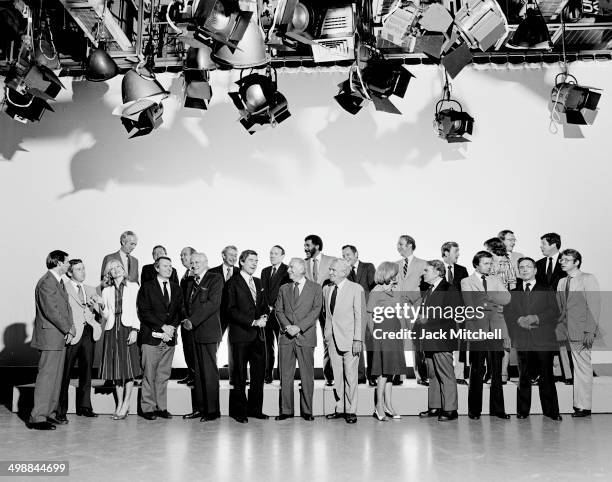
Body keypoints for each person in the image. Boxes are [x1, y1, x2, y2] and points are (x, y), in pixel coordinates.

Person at [505, 257, 562, 421]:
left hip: (544, 339)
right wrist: (519, 320)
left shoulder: (546, 288)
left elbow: (554, 312)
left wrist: (535, 317)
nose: (524, 270)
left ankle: (552, 411)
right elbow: (508, 314)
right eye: (521, 267)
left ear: (535, 270)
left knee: (547, 376)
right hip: (523, 339)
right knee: (523, 377)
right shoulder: (513, 292)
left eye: (528, 267)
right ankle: (522, 411)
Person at [461, 251, 511, 420]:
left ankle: (498, 410)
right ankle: (474, 411)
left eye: (491, 263)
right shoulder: (466, 281)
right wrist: (492, 304)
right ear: (476, 264)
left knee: (496, 370)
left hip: (495, 330)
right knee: (477, 370)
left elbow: (507, 298)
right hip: (477, 329)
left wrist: (488, 297)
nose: (490, 266)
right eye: (486, 263)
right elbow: (470, 304)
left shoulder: (495, 279)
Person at [28, 250, 75, 430]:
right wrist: (68, 328)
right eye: (67, 262)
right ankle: (37, 417)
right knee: (47, 377)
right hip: (50, 337)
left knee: (56, 378)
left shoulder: (58, 282)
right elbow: (51, 311)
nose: (68, 265)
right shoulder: (47, 282)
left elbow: (65, 308)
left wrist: (70, 327)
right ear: (58, 262)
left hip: (59, 336)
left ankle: (49, 413)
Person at [274, 258, 323, 421]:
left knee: (307, 376)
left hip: (305, 337)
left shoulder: (316, 288)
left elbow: (316, 310)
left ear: (302, 270)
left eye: (291, 267)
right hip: (286, 338)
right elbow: (278, 311)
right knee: (285, 376)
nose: (288, 270)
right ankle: (286, 410)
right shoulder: (284, 288)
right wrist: (288, 327)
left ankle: (307, 411)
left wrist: (299, 327)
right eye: (288, 267)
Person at [226, 250, 270, 423]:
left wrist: (265, 317)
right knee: (240, 376)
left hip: (258, 336)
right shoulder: (232, 283)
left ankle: (255, 410)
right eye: (251, 260)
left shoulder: (258, 281)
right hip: (241, 336)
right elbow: (230, 310)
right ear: (241, 262)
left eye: (256, 261)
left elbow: (265, 305)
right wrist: (253, 322)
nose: (254, 263)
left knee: (258, 375)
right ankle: (240, 412)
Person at [136, 256, 183, 420]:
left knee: (163, 375)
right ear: (157, 268)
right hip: (151, 337)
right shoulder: (147, 287)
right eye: (165, 266)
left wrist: (172, 328)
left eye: (170, 266)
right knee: (149, 374)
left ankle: (161, 407)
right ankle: (148, 408)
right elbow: (144, 312)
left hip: (169, 338)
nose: (169, 269)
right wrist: (162, 326)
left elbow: (179, 312)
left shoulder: (177, 288)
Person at [557, 249, 600, 418]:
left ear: (576, 262)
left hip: (582, 331)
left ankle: (584, 406)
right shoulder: (561, 282)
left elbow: (594, 306)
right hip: (565, 331)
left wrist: (590, 330)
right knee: (573, 369)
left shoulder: (587, 279)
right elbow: (561, 308)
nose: (562, 262)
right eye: (562, 259)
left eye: (567, 260)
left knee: (582, 368)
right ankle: (578, 405)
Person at [58, 259, 103, 421]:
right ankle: (60, 411)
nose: (83, 272)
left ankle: (85, 407)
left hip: (88, 334)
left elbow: (101, 311)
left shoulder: (90, 289)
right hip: (72, 332)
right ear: (70, 272)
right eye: (78, 269)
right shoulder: (63, 288)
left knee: (87, 372)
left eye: (83, 268)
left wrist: (98, 303)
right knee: (65, 372)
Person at [181, 252, 223, 422]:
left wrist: (193, 321)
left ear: (206, 262)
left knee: (209, 373)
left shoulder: (215, 278)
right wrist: (186, 320)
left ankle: (212, 411)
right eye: (192, 262)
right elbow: (185, 302)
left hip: (208, 331)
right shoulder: (190, 280)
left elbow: (212, 304)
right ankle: (199, 408)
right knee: (197, 373)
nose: (194, 265)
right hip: (192, 332)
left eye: (198, 262)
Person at [418, 260, 462, 422]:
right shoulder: (430, 290)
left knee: (445, 374)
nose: (424, 273)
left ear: (437, 272)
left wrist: (428, 318)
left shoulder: (449, 289)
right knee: (433, 374)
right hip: (429, 339)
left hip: (442, 339)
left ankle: (450, 409)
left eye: (426, 270)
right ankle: (435, 406)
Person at [323, 259, 365, 424]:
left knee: (351, 376)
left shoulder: (356, 289)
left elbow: (360, 316)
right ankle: (340, 408)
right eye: (330, 269)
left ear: (343, 272)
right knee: (338, 376)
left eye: (333, 270)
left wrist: (358, 339)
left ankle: (351, 410)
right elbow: (327, 315)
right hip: (332, 339)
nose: (330, 272)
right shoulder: (327, 289)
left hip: (350, 339)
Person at [99, 259, 142, 420]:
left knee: (128, 368)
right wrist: (101, 306)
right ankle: (119, 405)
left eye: (119, 267)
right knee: (116, 370)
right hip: (112, 329)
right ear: (108, 273)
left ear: (124, 270)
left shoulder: (133, 287)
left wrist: (135, 330)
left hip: (128, 328)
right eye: (112, 268)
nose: (116, 270)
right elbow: (106, 315)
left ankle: (126, 403)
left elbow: (139, 310)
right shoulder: (106, 290)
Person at [367, 262, 407, 422]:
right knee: (383, 371)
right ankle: (379, 407)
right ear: (387, 274)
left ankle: (389, 405)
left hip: (395, 330)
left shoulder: (396, 289)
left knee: (391, 370)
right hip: (382, 332)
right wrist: (374, 334)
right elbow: (369, 315)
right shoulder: (376, 291)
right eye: (394, 274)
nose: (396, 277)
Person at [537, 233, 572, 385]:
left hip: (564, 307)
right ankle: (547, 375)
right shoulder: (538, 264)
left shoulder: (566, 262)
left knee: (563, 341)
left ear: (553, 244)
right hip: (545, 309)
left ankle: (568, 375)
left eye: (543, 244)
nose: (541, 247)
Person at [484, 237, 517, 383]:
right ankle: (491, 372)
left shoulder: (506, 263)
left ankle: (503, 373)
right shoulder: (488, 263)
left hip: (503, 306)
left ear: (493, 248)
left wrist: (507, 303)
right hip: (488, 306)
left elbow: (513, 285)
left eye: (487, 249)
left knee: (505, 340)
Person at [396, 235, 428, 386]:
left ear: (410, 245)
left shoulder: (423, 264)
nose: (398, 246)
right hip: (398, 309)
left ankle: (422, 375)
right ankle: (398, 375)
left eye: (401, 244)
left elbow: (426, 287)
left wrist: (411, 296)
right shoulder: (395, 265)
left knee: (418, 343)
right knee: (398, 342)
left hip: (416, 308)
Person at [342, 244, 376, 384]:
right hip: (352, 313)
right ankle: (359, 375)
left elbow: (373, 288)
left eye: (348, 255)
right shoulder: (344, 271)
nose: (345, 257)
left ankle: (373, 376)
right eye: (343, 255)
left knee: (371, 343)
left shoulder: (368, 267)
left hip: (367, 311)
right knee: (356, 344)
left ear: (356, 254)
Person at [304, 234, 334, 385]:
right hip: (308, 309)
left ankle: (329, 376)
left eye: (308, 245)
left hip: (326, 308)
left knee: (328, 340)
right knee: (306, 343)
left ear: (317, 246)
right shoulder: (303, 264)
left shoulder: (331, 261)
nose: (305, 248)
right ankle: (306, 377)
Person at [209, 245, 240, 384]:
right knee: (213, 346)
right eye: (231, 254)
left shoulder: (241, 272)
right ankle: (212, 377)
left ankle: (235, 378)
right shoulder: (212, 272)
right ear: (223, 255)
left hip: (236, 316)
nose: (234, 258)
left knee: (236, 348)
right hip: (218, 315)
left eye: (236, 255)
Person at [261, 245, 291, 384]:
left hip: (281, 313)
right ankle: (267, 375)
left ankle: (281, 375)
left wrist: (276, 308)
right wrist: (265, 309)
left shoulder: (287, 271)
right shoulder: (265, 271)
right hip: (266, 314)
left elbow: (287, 294)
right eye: (271, 253)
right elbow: (263, 292)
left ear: (282, 256)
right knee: (267, 346)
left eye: (276, 253)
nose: (272, 255)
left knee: (282, 346)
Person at [441, 241, 469, 385]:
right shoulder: (436, 268)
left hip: (459, 314)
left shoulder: (462, 270)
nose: (458, 254)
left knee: (460, 344)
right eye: (455, 251)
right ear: (446, 253)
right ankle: (445, 374)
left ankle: (459, 375)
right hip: (441, 314)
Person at [178, 246, 197, 385]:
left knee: (193, 348)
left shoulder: (196, 274)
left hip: (192, 320)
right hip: (183, 318)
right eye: (181, 255)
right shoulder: (185, 274)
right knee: (187, 347)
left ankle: (195, 375)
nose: (182, 257)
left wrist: (189, 318)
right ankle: (190, 372)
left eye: (185, 254)